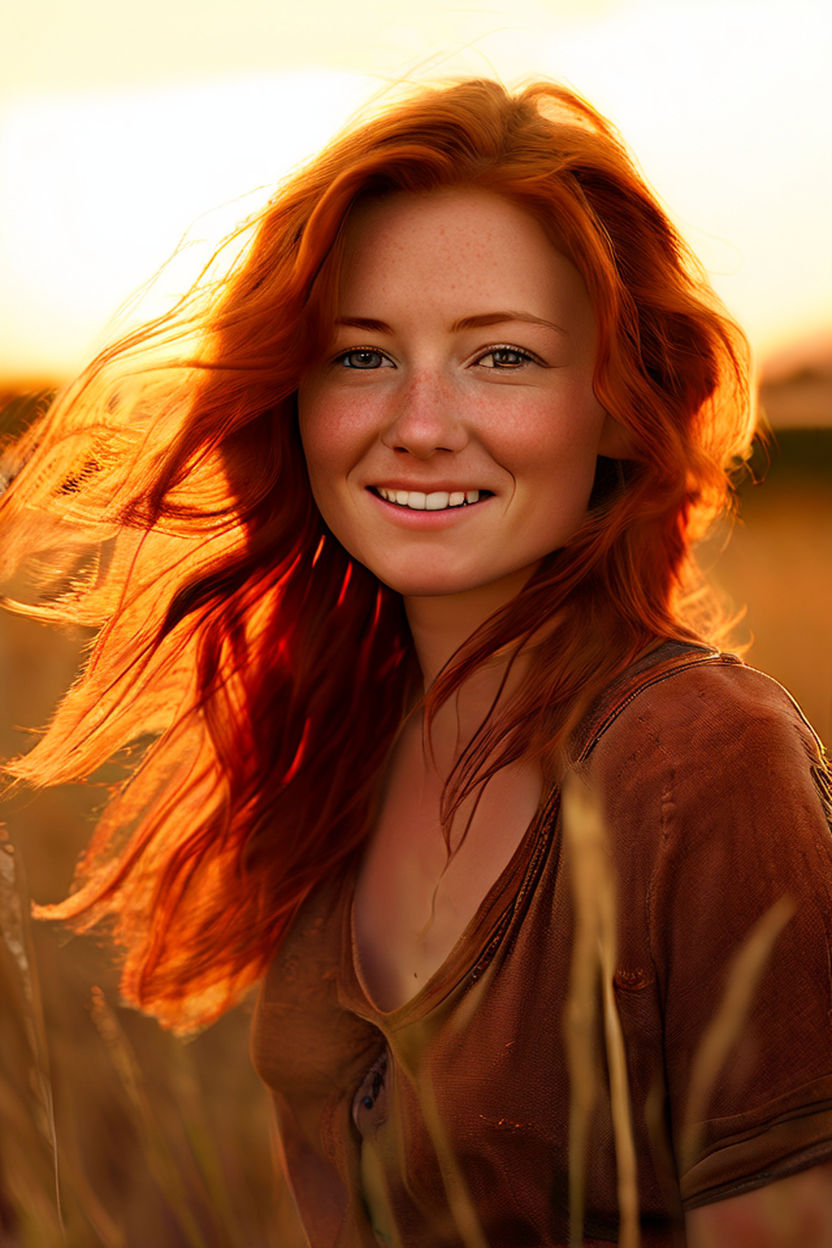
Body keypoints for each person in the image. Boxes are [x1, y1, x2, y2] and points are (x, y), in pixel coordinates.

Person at [1, 76, 831, 1246]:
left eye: (502, 358)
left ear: (617, 404)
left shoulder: (701, 762)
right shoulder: (338, 747)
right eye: (359, 357)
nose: (422, 420)